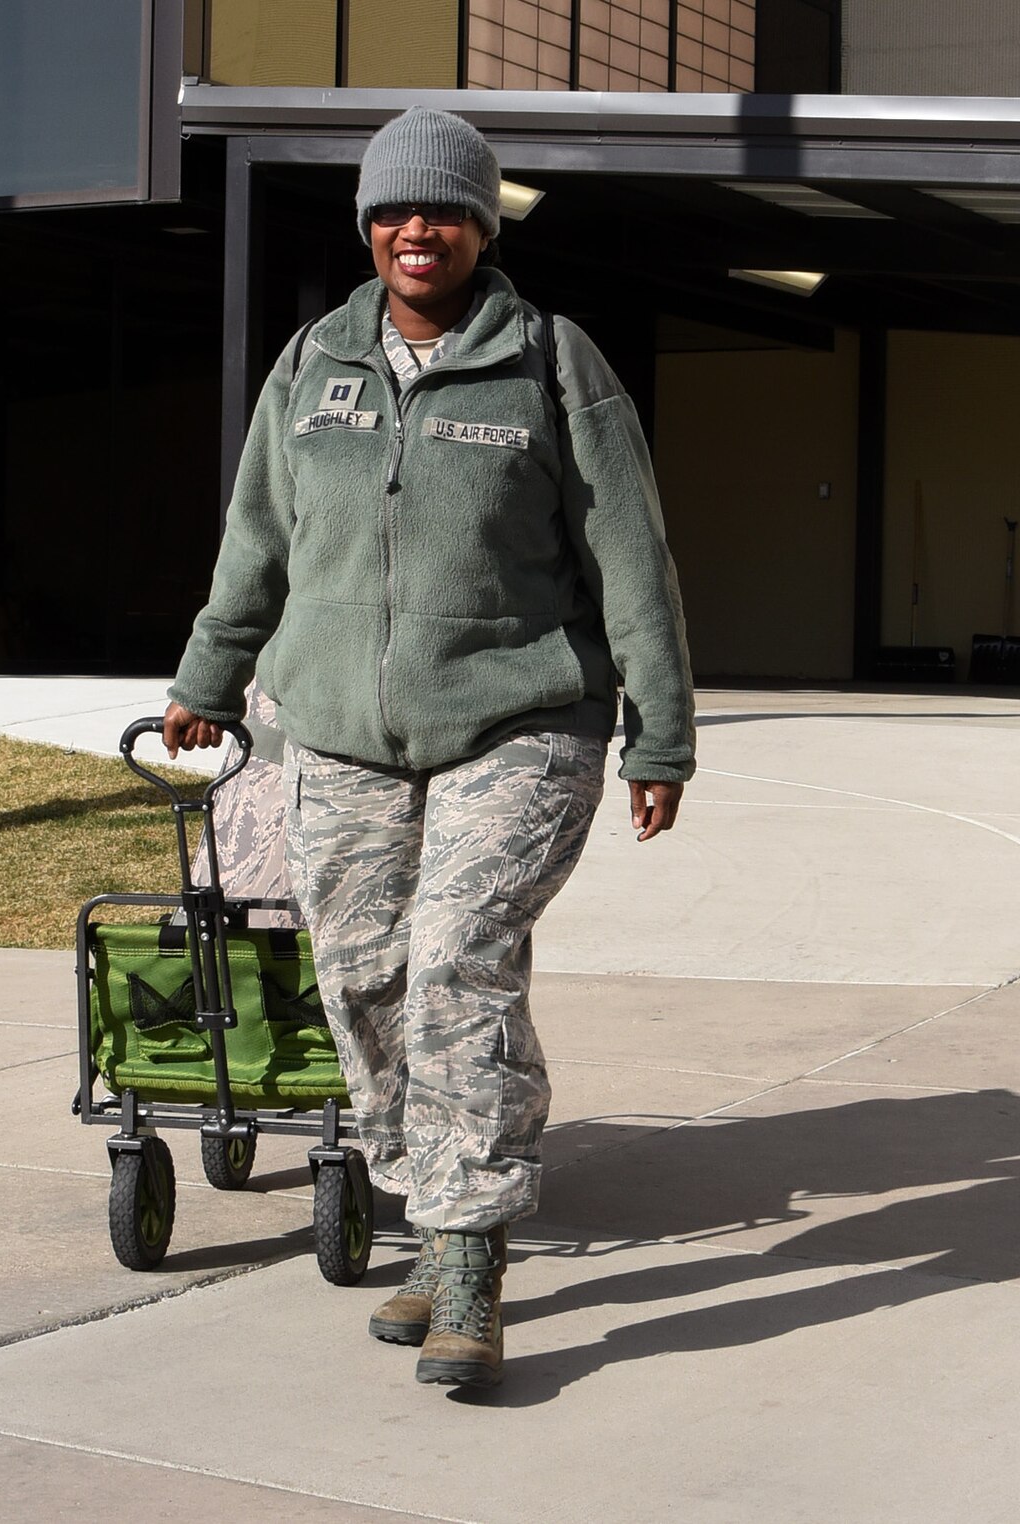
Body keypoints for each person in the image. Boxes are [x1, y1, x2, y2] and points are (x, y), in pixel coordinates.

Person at [161, 107, 694, 1389]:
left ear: (481, 226)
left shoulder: (551, 365)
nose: (418, 231)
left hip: (518, 719)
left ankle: (468, 1258)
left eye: (444, 211)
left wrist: (657, 730)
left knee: (457, 957)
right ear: (366, 226)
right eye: (395, 211)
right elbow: (256, 541)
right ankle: (424, 1201)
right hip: (337, 728)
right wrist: (208, 677)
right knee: (358, 975)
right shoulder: (312, 365)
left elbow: (632, 557)